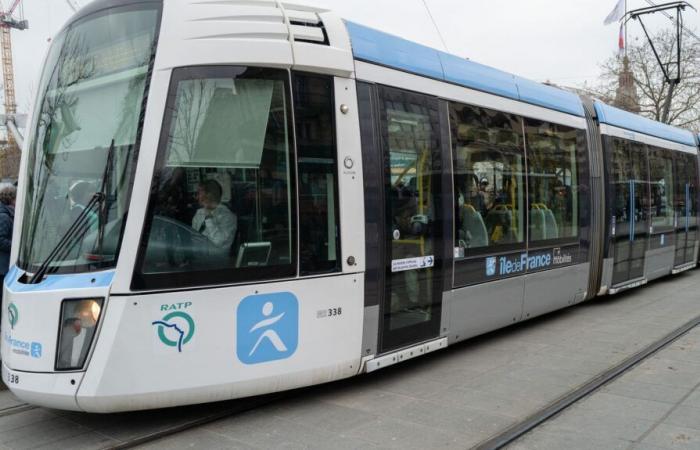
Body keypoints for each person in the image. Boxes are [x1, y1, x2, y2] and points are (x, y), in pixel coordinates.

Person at [192, 179, 237, 250]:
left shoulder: (228, 217)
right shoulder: (199, 213)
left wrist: (208, 218)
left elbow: (217, 241)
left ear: (208, 196)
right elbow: (194, 238)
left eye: (199, 193)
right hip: (198, 256)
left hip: (218, 258)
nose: (196, 197)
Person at [0, 186, 15, 303]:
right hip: (2, 266)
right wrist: (15, 246)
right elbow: (0, 240)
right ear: (11, 199)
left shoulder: (6, 213)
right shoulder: (4, 216)